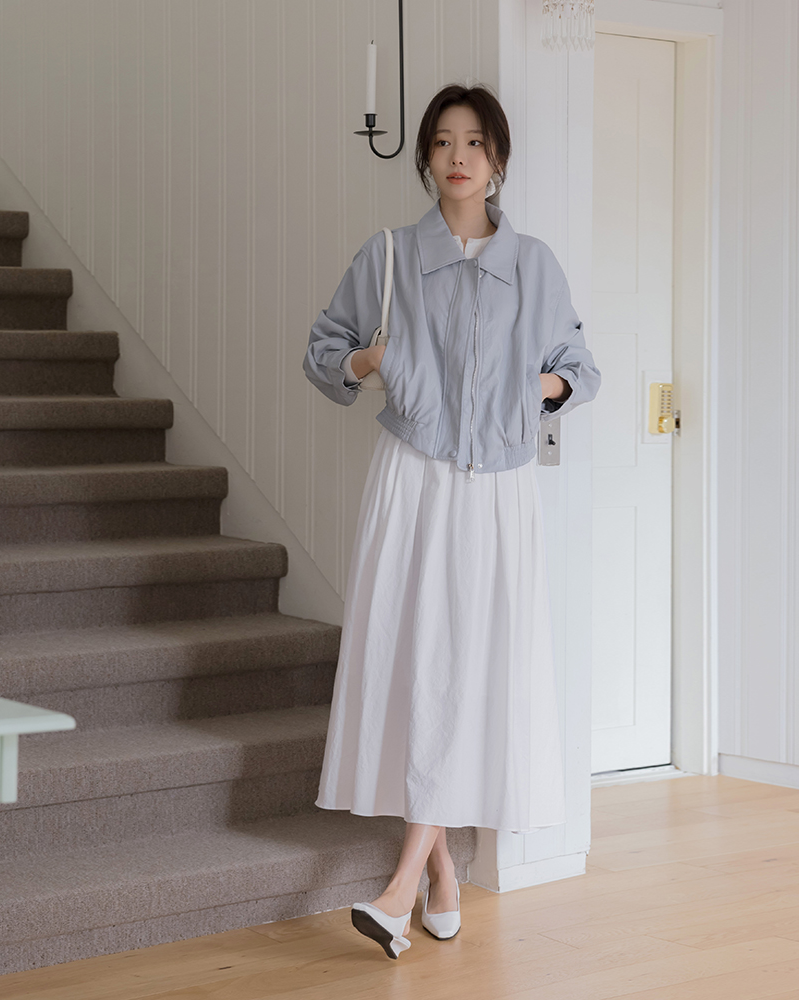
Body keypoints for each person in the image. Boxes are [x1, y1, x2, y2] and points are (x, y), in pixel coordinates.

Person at [302, 82, 601, 960]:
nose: (458, 156)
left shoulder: (534, 264)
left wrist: (530, 386)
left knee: (468, 672)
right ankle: (436, 877)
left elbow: (580, 367)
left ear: (497, 158)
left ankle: (403, 889)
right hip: (413, 479)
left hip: (500, 491)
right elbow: (323, 352)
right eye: (442, 141)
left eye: (474, 141)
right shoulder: (390, 255)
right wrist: (370, 360)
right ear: (426, 157)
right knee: (416, 668)